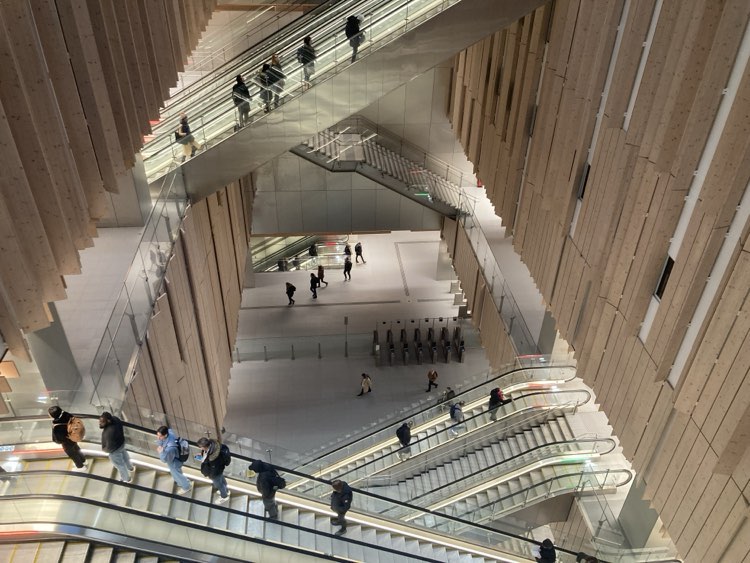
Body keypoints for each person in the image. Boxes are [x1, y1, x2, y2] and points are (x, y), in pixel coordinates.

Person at [99, 411, 135, 483]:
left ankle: (126, 479)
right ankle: (130, 467)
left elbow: (109, 448)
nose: (100, 423)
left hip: (114, 450)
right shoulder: (115, 419)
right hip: (121, 443)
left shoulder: (109, 432)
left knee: (120, 465)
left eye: (102, 421)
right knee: (125, 456)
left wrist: (104, 450)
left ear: (108, 421)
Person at [49, 406, 87, 472]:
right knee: (76, 448)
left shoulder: (57, 426)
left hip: (67, 442)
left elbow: (58, 440)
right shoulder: (67, 415)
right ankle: (83, 460)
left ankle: (80, 466)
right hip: (74, 436)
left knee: (72, 453)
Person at [156, 426, 192, 494]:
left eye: (160, 436)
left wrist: (161, 452)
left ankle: (186, 487)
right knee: (178, 473)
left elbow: (165, 460)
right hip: (177, 458)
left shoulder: (170, 448)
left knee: (177, 474)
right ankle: (184, 481)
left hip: (174, 463)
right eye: (157, 435)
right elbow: (169, 431)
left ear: (165, 435)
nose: (158, 438)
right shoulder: (170, 432)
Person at [197, 437, 231, 504]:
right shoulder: (216, 446)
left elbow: (213, 468)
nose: (200, 448)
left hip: (215, 472)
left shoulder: (213, 458)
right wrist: (202, 455)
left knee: (219, 485)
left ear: (205, 446)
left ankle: (224, 496)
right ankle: (226, 490)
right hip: (220, 469)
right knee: (222, 480)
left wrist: (211, 476)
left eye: (201, 447)